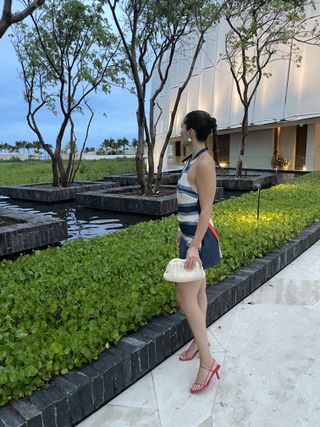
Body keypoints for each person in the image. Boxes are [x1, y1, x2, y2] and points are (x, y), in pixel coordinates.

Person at [175, 110, 222, 393]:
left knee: (184, 296)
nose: (181, 131)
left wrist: (193, 246)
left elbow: (207, 209)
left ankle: (207, 361)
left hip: (199, 241)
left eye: (183, 127)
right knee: (199, 293)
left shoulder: (204, 162)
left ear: (191, 131)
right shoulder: (193, 159)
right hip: (189, 238)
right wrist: (181, 236)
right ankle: (198, 340)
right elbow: (187, 204)